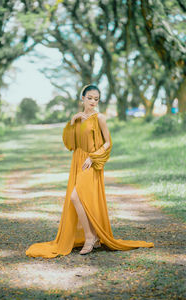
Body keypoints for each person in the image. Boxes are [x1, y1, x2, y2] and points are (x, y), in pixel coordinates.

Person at [25, 84, 154, 258]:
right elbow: (70, 144)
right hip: (77, 160)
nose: (93, 101)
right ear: (83, 98)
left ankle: (90, 236)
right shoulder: (78, 118)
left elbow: (108, 142)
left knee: (75, 196)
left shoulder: (100, 118)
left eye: (96, 99)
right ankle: (91, 235)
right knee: (79, 198)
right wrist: (73, 121)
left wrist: (93, 157)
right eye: (90, 98)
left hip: (91, 162)